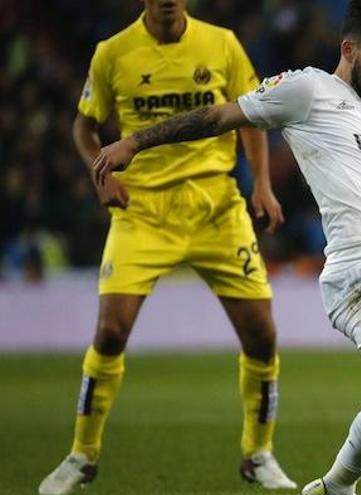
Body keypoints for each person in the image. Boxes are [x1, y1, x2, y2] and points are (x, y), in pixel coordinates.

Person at [92, 0, 361, 493]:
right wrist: (136, 142)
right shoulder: (307, 90)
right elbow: (222, 115)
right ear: (350, 49)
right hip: (356, 272)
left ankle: (332, 486)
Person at [38, 1, 296, 493]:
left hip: (217, 209)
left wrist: (261, 184)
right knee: (110, 332)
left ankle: (258, 453)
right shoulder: (112, 53)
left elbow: (251, 116)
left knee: (262, 337)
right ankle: (81, 455)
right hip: (143, 210)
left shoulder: (221, 43)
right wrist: (101, 175)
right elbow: (83, 125)